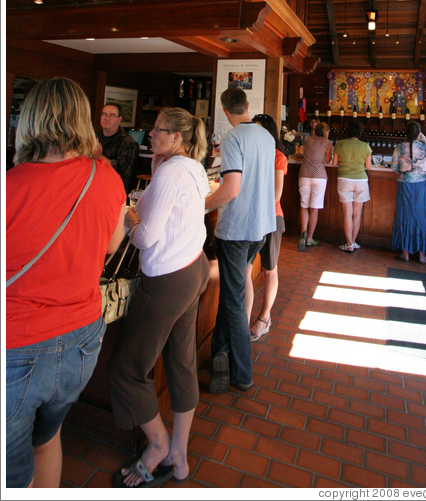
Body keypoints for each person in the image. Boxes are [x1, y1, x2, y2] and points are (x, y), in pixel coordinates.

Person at [6, 77, 126, 489]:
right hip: (81, 340)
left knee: (11, 472)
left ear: (29, 120)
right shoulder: (106, 178)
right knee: (47, 438)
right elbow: (111, 246)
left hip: (17, 346)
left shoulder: (10, 186)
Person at [108, 108, 210, 488]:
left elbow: (147, 237)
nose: (150, 134)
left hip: (167, 278)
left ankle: (157, 445)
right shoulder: (193, 167)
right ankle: (179, 458)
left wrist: (130, 217)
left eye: (159, 130)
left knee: (126, 369)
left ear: (178, 138)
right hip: (193, 267)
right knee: (181, 363)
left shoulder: (168, 173)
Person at [205, 87, 276, 393]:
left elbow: (231, 188)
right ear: (248, 105)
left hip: (237, 228)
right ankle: (219, 350)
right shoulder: (266, 137)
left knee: (233, 300)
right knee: (231, 293)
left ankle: (242, 373)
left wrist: (202, 205)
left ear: (225, 111)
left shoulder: (233, 138)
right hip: (260, 227)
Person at [245, 113, 288, 341]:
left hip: (271, 218)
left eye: (260, 129)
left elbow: (276, 194)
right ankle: (243, 320)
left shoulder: (277, 157)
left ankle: (263, 318)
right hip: (251, 217)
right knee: (245, 270)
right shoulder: (250, 153)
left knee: (269, 270)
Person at [390, 121, 426, 264]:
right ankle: (422, 256)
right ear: (419, 133)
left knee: (404, 216)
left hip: (404, 185)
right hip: (422, 186)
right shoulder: (424, 147)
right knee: (422, 217)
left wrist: (404, 171)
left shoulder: (399, 147)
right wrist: (424, 140)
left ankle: (405, 253)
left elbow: (394, 167)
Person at [331, 119, 373, 252]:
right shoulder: (365, 146)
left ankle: (348, 244)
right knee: (357, 214)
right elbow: (368, 167)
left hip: (344, 180)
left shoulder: (340, 144)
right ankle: (353, 242)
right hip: (361, 181)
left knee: (347, 213)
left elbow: (333, 164)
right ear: (360, 132)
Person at [298, 121, 332, 251]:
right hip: (319, 176)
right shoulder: (327, 143)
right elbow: (328, 160)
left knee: (304, 205)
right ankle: (310, 238)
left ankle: (303, 232)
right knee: (314, 208)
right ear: (324, 132)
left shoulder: (307, 140)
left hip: (304, 174)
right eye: (327, 131)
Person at [93, 102, 138, 194]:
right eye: (104, 114)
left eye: (112, 115)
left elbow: (123, 169)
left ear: (119, 119)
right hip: (94, 187)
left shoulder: (127, 141)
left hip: (114, 191)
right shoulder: (94, 137)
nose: (106, 118)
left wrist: (99, 157)